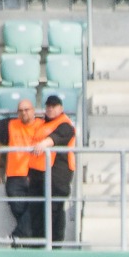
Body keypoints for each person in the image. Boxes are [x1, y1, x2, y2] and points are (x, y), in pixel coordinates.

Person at [29, 95, 75, 245]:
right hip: (40, 173)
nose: (50, 108)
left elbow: (57, 137)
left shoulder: (65, 124)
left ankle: (55, 243)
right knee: (38, 209)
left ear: (61, 108)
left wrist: (44, 144)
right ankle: (39, 242)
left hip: (58, 174)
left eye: (54, 106)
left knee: (55, 208)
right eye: (48, 106)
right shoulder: (41, 124)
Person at [0, 99, 39, 243]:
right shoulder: (8, 125)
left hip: (35, 176)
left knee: (36, 209)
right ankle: (25, 239)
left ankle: (17, 237)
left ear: (34, 110)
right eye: (21, 110)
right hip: (14, 176)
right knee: (20, 211)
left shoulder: (42, 125)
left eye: (27, 109)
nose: (24, 113)